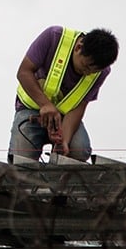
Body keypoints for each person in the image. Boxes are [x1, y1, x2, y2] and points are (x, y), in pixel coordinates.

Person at [10, 26, 119, 162]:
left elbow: (79, 106)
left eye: (93, 71)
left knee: (79, 150)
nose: (87, 73)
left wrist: (64, 141)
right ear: (78, 47)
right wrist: (45, 105)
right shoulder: (54, 36)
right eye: (86, 66)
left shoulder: (101, 72)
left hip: (63, 117)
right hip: (31, 110)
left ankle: (58, 181)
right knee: (21, 158)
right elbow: (23, 72)